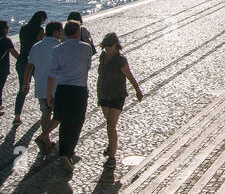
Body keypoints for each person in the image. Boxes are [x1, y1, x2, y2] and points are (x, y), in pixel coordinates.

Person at [46, 20, 94, 174]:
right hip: (79, 90)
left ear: (65, 33)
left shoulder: (57, 49)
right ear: (78, 33)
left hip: (62, 89)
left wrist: (49, 94)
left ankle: (63, 152)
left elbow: (52, 74)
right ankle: (69, 152)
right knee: (77, 121)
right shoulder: (86, 48)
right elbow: (87, 67)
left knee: (64, 120)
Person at [96, 32, 143, 170]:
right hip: (104, 94)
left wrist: (137, 90)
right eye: (105, 46)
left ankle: (111, 156)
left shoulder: (121, 60)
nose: (106, 49)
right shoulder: (103, 56)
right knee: (109, 124)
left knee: (111, 125)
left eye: (109, 46)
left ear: (116, 46)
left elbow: (129, 75)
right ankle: (111, 146)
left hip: (117, 95)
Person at [24, 20, 63, 155]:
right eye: (61, 30)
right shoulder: (59, 46)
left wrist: (26, 82)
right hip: (57, 87)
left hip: (41, 86)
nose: (62, 32)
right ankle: (46, 137)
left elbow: (29, 66)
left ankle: (46, 140)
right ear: (56, 32)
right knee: (60, 115)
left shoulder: (36, 46)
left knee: (45, 113)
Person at [12, 11, 46, 122]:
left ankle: (17, 116)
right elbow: (40, 44)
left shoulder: (23, 29)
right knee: (41, 85)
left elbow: (23, 44)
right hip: (34, 61)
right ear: (41, 19)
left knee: (22, 88)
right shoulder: (40, 30)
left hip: (22, 60)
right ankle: (44, 111)